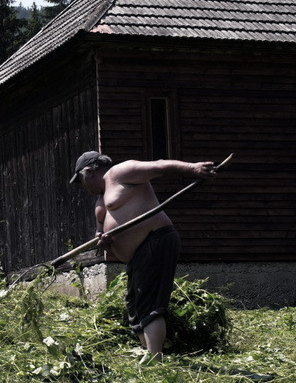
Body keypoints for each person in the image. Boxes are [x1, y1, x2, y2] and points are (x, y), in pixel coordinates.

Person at [70, 151, 217, 357]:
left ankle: (155, 358)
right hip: (138, 253)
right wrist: (105, 241)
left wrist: (193, 169)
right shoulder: (101, 199)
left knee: (150, 302)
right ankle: (148, 353)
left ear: (90, 171)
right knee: (135, 305)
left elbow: (160, 165)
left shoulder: (120, 172)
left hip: (155, 240)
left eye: (80, 180)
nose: (82, 185)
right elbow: (102, 235)